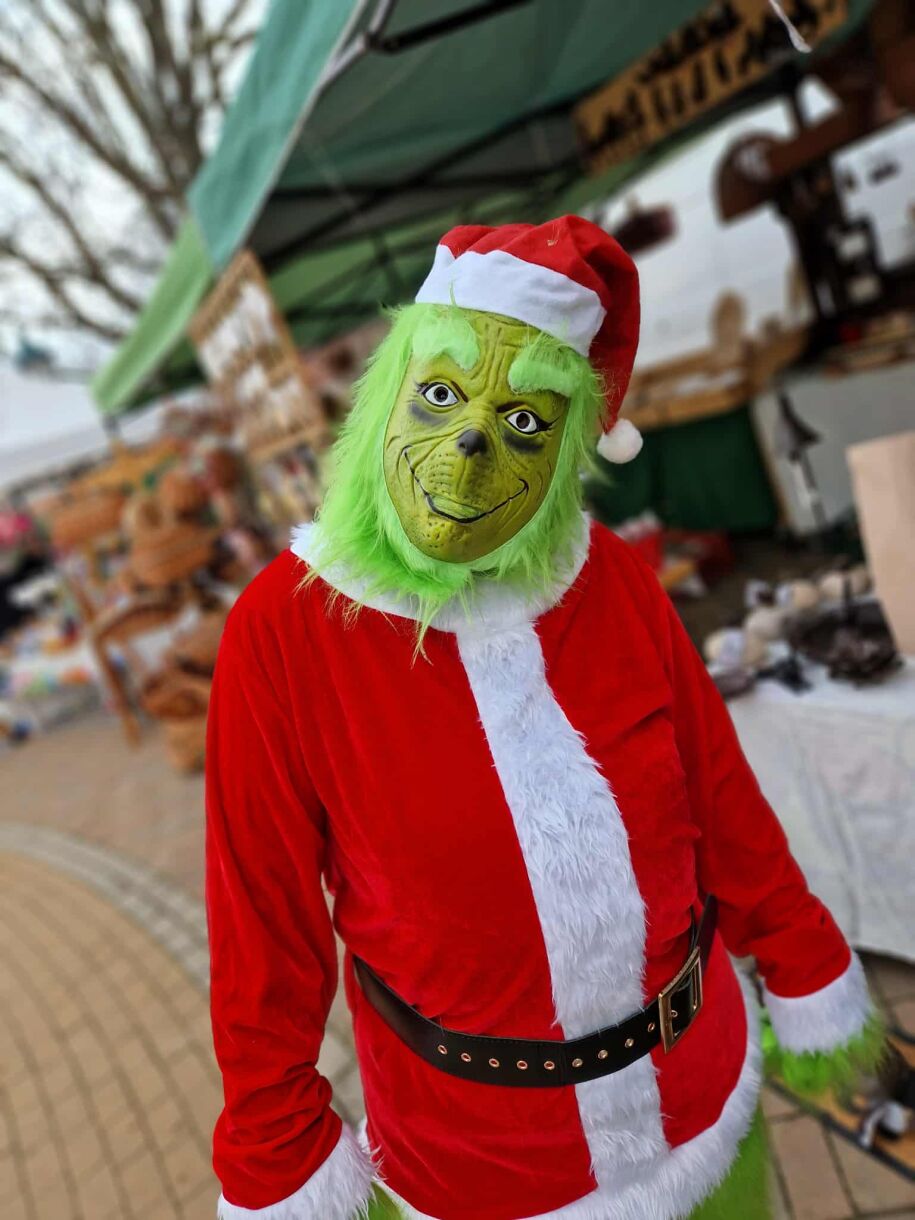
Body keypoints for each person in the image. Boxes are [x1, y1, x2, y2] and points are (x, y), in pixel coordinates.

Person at [206, 217, 881, 1220]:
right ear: (388, 393)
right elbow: (259, 917)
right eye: (441, 394)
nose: (473, 440)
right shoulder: (286, 627)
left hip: (703, 1107)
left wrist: (803, 961)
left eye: (526, 419)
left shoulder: (610, 577)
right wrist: (277, 1142)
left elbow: (718, 795)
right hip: (480, 1168)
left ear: (567, 450)